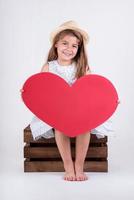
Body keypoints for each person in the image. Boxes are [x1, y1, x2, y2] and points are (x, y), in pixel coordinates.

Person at [21, 20, 114, 181]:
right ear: (56, 44)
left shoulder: (82, 67)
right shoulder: (49, 67)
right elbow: (41, 90)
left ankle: (79, 165)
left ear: (79, 49)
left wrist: (109, 100)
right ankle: (68, 165)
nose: (69, 49)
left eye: (74, 45)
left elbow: (93, 91)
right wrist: (28, 92)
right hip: (56, 111)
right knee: (59, 125)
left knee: (85, 125)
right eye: (65, 43)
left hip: (78, 111)